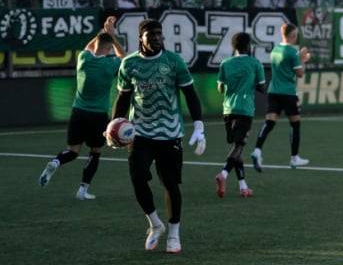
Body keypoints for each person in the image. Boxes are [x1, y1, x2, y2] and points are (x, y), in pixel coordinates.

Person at [111, 19, 206, 254]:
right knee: (138, 178)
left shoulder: (174, 61)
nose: (156, 37)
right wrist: (113, 126)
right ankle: (155, 224)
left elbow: (190, 94)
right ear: (140, 38)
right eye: (151, 34)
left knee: (170, 184)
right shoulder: (129, 64)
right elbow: (123, 98)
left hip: (170, 133)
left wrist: (199, 125)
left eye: (159, 34)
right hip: (139, 133)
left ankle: (174, 234)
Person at [39, 17, 124, 199]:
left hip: (78, 112)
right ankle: (83, 190)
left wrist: (103, 31)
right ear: (109, 47)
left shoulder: (83, 58)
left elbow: (90, 46)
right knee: (95, 152)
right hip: (98, 115)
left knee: (72, 151)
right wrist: (113, 37)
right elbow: (123, 57)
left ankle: (56, 161)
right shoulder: (110, 64)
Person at [251, 23, 311, 170]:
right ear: (292, 35)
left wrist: (298, 57)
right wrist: (303, 60)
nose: (296, 37)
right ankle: (294, 158)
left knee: (270, 122)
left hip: (273, 91)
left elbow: (285, 65)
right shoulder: (292, 52)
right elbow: (300, 73)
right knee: (295, 124)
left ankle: (257, 151)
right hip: (288, 93)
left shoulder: (275, 50)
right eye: (295, 34)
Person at [215, 32, 266, 198]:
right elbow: (261, 87)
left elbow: (220, 89)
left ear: (233, 46)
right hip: (245, 110)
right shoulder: (254, 63)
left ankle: (243, 187)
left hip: (228, 110)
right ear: (248, 46)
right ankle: (223, 174)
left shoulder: (225, 63)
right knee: (238, 147)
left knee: (237, 148)